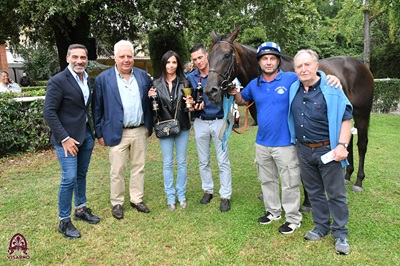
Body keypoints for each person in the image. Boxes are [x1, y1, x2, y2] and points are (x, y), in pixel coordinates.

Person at [228, 42, 341, 234]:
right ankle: (273, 211)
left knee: (290, 182)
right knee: (267, 180)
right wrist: (234, 92)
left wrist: (330, 77)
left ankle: (292, 218)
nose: (269, 62)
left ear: (278, 61)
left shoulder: (290, 79)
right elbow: (242, 100)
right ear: (259, 61)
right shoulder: (255, 84)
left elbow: (311, 76)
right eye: (265, 58)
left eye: (273, 58)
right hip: (262, 143)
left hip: (285, 143)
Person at [288, 49, 353, 254]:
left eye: (307, 64)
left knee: (336, 193)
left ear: (317, 66)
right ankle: (322, 226)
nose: (303, 69)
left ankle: (341, 232)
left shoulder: (332, 88)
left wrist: (342, 145)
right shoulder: (293, 89)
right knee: (314, 192)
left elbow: (346, 119)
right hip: (304, 150)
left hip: (328, 149)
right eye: (299, 66)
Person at [43, 44, 100, 239]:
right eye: (75, 57)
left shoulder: (87, 79)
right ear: (67, 58)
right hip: (66, 140)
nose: (79, 61)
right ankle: (64, 221)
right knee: (68, 178)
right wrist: (65, 138)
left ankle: (81, 209)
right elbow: (48, 112)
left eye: (83, 57)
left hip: (85, 135)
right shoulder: (58, 81)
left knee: (81, 174)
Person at [92, 40, 153, 220]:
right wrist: (99, 133)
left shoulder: (143, 76)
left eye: (129, 56)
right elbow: (97, 108)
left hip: (140, 129)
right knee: (117, 169)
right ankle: (117, 202)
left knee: (138, 167)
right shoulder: (103, 79)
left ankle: (136, 199)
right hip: (115, 131)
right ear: (115, 58)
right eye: (122, 56)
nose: (126, 60)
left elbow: (150, 100)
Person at [187, 44, 232, 212]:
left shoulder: (221, 74)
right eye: (194, 59)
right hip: (200, 121)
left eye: (200, 57)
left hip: (219, 120)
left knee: (223, 160)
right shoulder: (192, 78)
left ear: (207, 55)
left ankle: (225, 195)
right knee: (203, 160)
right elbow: (189, 99)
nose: (198, 62)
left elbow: (233, 90)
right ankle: (208, 190)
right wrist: (191, 105)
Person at [148, 50, 192, 211]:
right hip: (165, 126)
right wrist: (150, 98)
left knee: (181, 162)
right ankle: (170, 197)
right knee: (167, 163)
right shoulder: (155, 84)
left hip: (182, 126)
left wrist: (191, 102)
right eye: (168, 62)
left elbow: (190, 106)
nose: (171, 65)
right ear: (163, 64)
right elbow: (153, 110)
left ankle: (181, 194)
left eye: (174, 62)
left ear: (178, 64)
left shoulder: (185, 82)